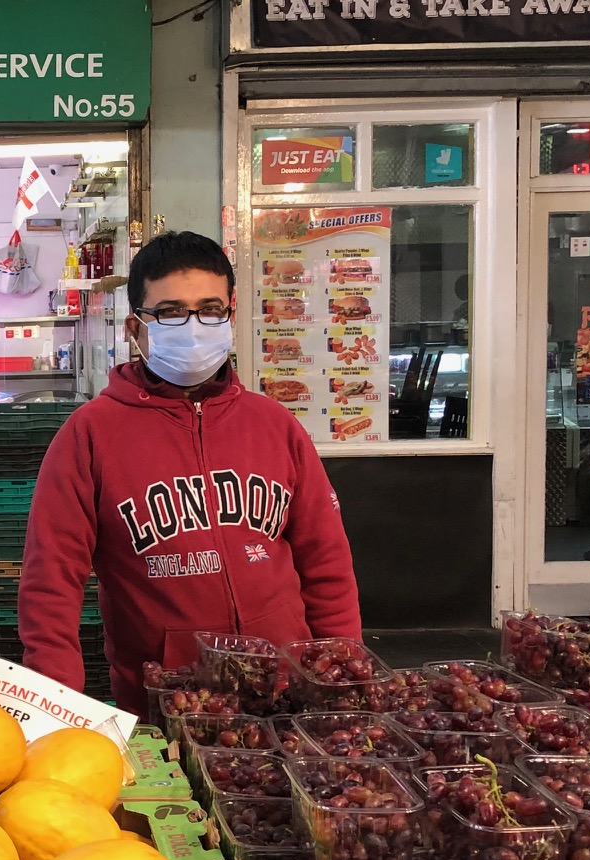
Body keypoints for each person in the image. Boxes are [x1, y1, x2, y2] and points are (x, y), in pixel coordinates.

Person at [18, 229, 362, 713]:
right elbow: (50, 584)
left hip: (288, 696)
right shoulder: (90, 435)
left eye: (210, 309)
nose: (194, 326)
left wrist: (343, 678)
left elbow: (327, 564)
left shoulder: (275, 425)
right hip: (168, 702)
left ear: (230, 314)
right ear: (135, 327)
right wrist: (57, 706)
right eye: (171, 312)